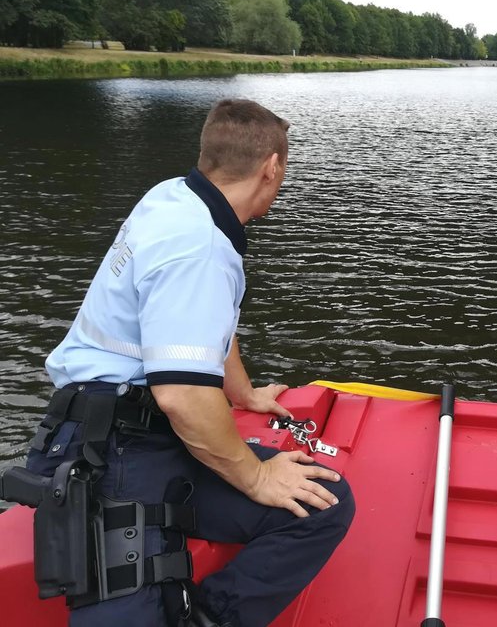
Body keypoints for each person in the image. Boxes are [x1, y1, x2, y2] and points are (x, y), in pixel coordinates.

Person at [22, 99, 355, 627]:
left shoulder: (174, 199)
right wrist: (256, 478)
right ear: (272, 168)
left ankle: (205, 618)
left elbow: (203, 329)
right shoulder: (199, 247)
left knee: (322, 501)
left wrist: (243, 395)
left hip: (120, 427)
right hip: (112, 449)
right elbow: (180, 395)